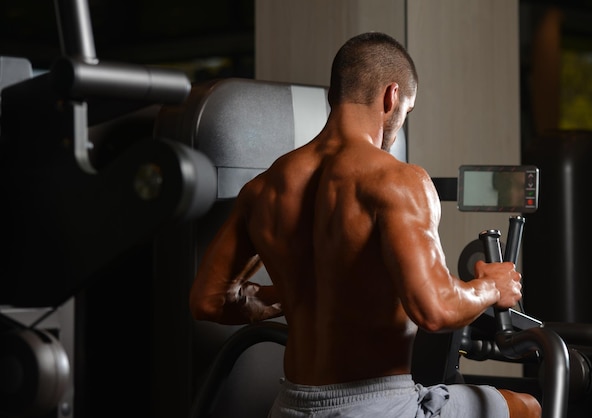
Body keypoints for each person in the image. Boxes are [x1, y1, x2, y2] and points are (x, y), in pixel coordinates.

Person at [189, 32, 541, 418]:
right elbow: (435, 310)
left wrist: (299, 293)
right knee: (526, 406)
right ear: (391, 97)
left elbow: (210, 299)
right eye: (407, 110)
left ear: (334, 95)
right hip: (377, 405)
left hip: (289, 406)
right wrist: (492, 286)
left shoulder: (264, 187)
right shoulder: (398, 180)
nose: (401, 122)